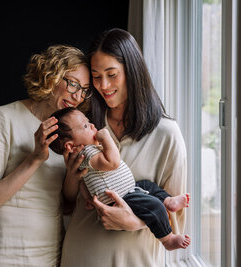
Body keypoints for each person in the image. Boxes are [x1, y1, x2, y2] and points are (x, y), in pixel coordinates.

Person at [60, 28, 188, 266]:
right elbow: (68, 203)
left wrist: (134, 222)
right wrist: (71, 175)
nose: (103, 85)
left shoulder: (167, 135)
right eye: (96, 76)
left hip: (137, 259)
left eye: (112, 74)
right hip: (81, 255)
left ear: (132, 72)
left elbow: (176, 210)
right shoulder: (84, 127)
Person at [0, 44, 91, 267]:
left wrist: (73, 176)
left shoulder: (71, 133)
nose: (78, 96)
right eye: (73, 83)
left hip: (50, 250)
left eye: (84, 89)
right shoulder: (3, 117)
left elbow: (66, 206)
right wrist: (35, 158)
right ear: (51, 75)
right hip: (6, 252)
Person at [48, 107, 190, 251]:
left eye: (89, 122)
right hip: (120, 199)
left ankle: (167, 200)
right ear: (71, 146)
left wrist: (89, 198)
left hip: (128, 191)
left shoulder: (87, 154)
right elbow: (113, 162)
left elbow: (84, 180)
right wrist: (106, 137)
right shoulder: (88, 153)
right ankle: (167, 239)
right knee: (153, 206)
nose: (91, 125)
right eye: (85, 126)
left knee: (147, 185)